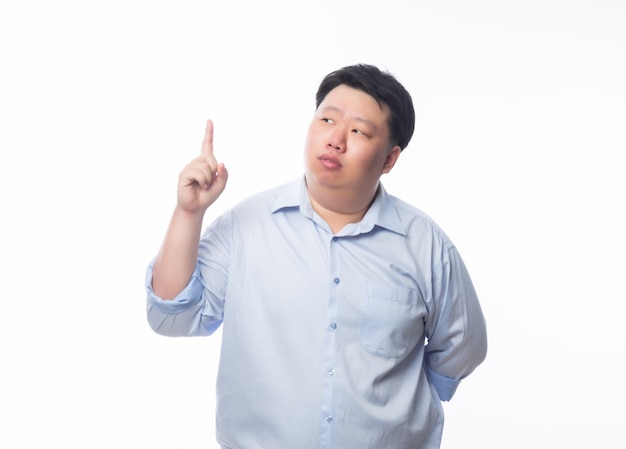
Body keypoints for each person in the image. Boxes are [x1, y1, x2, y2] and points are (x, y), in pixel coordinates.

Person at [145, 64, 487, 448]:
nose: (336, 139)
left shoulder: (426, 246)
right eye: (327, 119)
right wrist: (189, 213)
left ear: (389, 160)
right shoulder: (247, 226)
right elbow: (171, 316)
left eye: (358, 131)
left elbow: (463, 345)